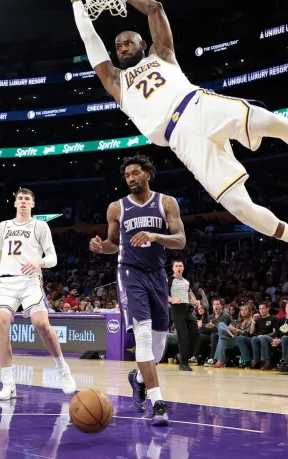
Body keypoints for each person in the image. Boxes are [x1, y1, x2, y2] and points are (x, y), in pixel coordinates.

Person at [64, 0, 288, 294]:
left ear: (144, 44)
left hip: (198, 104)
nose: (123, 46)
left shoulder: (163, 56)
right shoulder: (115, 83)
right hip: (181, 139)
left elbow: (155, 8)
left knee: (274, 123)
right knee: (239, 207)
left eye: (129, 41)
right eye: (119, 45)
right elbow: (88, 38)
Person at [89, 155, 186, 426]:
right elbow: (113, 244)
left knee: (159, 345)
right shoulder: (116, 208)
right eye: (127, 175)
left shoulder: (166, 203)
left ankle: (139, 378)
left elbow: (180, 241)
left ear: (147, 174)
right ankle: (158, 403)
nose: (130, 178)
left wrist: (156, 236)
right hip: (129, 274)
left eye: (135, 173)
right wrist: (100, 247)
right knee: (142, 338)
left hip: (157, 275)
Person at [0, 188, 75, 401]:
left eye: (27, 199)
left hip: (30, 280)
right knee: (1, 322)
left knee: (41, 323)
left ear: (33, 204)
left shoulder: (40, 226)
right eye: (20, 199)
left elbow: (52, 257)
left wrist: (39, 261)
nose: (23, 202)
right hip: (6, 281)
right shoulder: (3, 226)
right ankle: (8, 383)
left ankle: (63, 368)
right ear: (15, 203)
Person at [167, 259, 198, 372]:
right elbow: (163, 296)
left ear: (183, 268)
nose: (179, 268)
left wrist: (195, 302)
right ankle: (183, 363)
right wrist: (173, 299)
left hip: (187, 310)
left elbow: (189, 297)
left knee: (195, 334)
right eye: (177, 266)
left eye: (181, 266)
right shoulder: (169, 280)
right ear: (173, 268)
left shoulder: (186, 282)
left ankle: (183, 356)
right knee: (183, 336)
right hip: (176, 310)